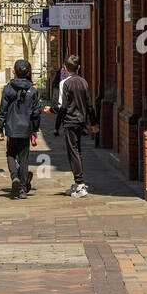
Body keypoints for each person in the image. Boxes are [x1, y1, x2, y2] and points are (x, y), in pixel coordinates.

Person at [0, 59, 42, 198]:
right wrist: (35, 129)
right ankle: (22, 189)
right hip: (26, 128)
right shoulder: (32, 90)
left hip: (11, 127)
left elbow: (3, 110)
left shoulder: (8, 88)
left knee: (10, 154)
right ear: (28, 72)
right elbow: (36, 112)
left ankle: (14, 177)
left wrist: (0, 128)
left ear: (14, 72)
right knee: (24, 158)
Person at [56, 55, 98, 198]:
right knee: (77, 151)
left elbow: (63, 107)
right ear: (79, 67)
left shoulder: (65, 83)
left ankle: (80, 184)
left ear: (65, 68)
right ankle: (78, 182)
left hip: (70, 121)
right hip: (81, 121)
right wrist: (94, 123)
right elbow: (89, 105)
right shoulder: (84, 82)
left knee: (72, 152)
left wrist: (55, 121)